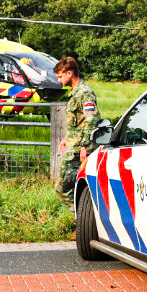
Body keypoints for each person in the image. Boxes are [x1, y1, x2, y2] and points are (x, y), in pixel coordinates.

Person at [54, 57, 98, 198]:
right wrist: (67, 139)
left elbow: (91, 119)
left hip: (79, 150)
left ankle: (81, 218)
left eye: (60, 76)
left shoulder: (84, 93)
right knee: (73, 188)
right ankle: (82, 217)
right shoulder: (75, 93)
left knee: (62, 189)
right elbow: (77, 121)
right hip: (74, 147)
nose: (58, 80)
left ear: (69, 73)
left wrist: (84, 146)